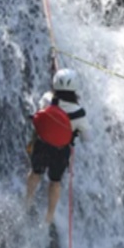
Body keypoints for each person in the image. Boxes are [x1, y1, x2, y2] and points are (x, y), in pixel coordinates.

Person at [25, 68, 88, 224]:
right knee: (55, 181)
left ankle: (28, 201)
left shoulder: (47, 98)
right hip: (61, 149)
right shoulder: (79, 113)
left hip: (42, 144)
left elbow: (41, 112)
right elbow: (87, 138)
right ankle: (49, 216)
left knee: (35, 172)